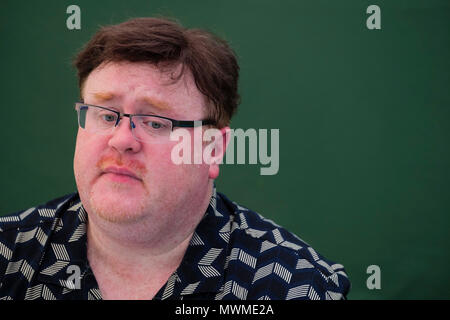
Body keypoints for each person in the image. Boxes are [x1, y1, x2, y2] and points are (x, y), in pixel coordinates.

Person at [0, 17, 350, 300]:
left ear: (213, 149)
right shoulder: (9, 254)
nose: (121, 140)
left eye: (155, 122)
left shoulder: (290, 285)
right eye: (106, 115)